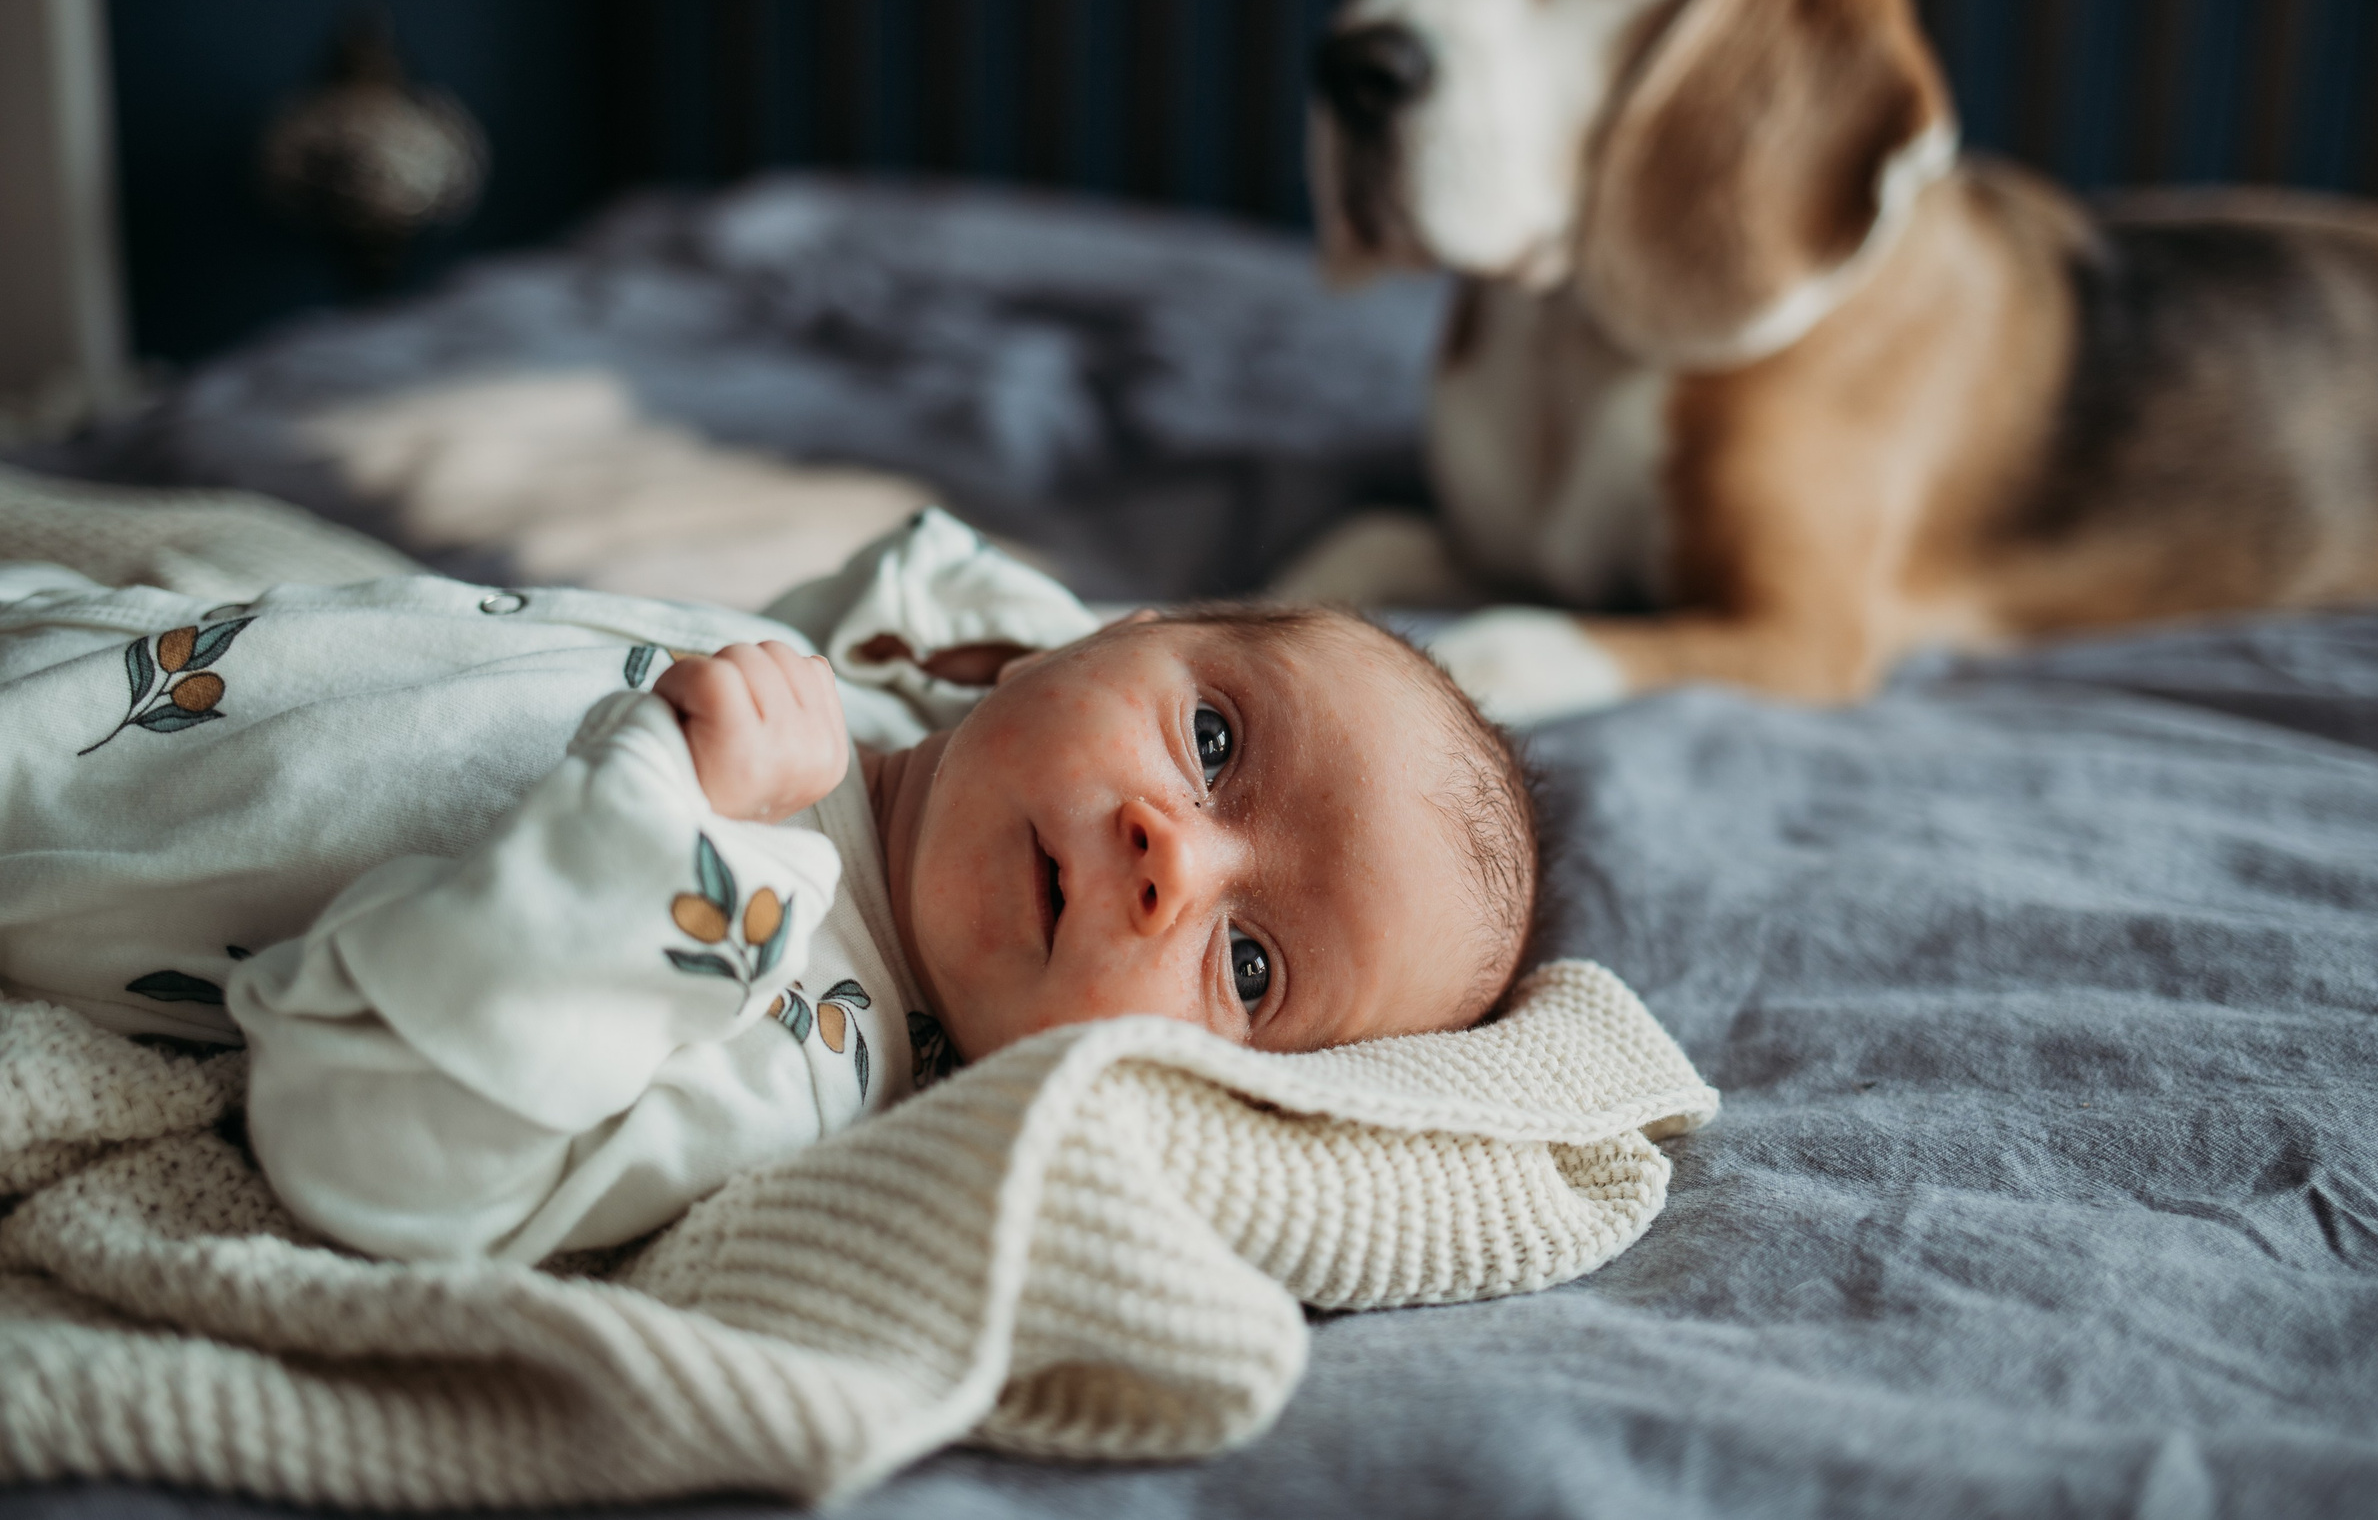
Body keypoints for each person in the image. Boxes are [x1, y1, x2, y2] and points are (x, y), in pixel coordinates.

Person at [0, 511, 1534, 1263]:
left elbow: (374, 1157)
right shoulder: (876, 689)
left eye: (1249, 968)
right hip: (88, 647)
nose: (1173, 854)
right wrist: (1028, 665)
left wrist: (643, 844)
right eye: (1212, 739)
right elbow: (935, 586)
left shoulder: (796, 1039)